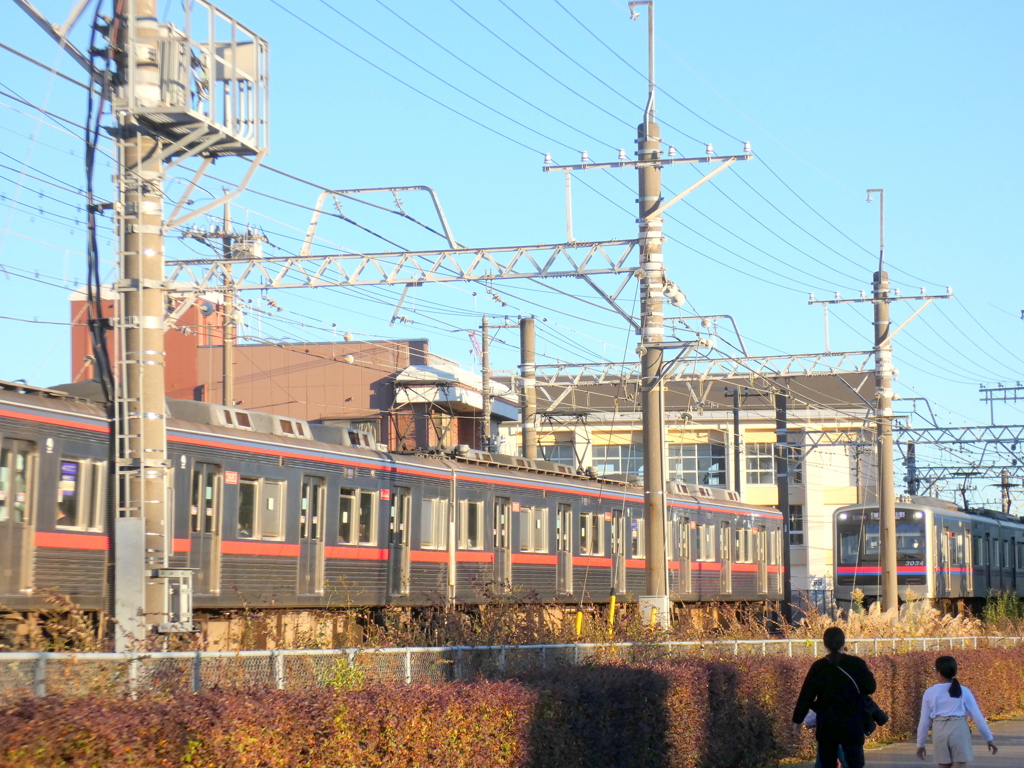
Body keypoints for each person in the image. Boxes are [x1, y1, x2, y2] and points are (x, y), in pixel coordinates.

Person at [793, 627, 876, 768]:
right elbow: (870, 687)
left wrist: (797, 720)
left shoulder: (819, 667)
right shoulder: (857, 664)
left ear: (825, 644)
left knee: (826, 763)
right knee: (855, 763)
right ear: (843, 642)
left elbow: (806, 695)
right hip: (853, 722)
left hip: (827, 723)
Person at [916, 656, 997, 768]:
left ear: (939, 673)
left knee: (944, 765)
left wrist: (920, 743)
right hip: (959, 729)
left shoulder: (930, 692)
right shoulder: (964, 691)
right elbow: (976, 716)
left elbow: (924, 721)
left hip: (939, 730)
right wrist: (989, 738)